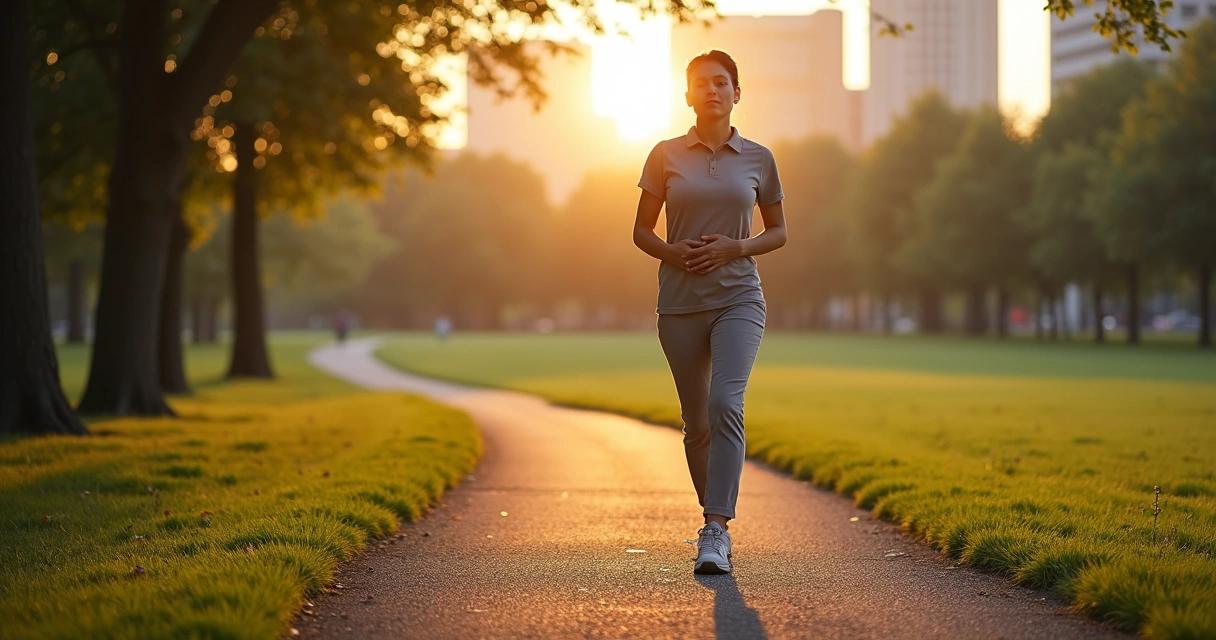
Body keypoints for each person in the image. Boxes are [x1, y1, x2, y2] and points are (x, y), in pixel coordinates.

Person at [633, 50, 787, 575]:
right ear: (689, 95)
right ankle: (712, 519)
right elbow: (641, 231)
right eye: (702, 83)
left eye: (722, 82)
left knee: (726, 401)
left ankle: (715, 529)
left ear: (737, 92)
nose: (712, 90)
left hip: (739, 298)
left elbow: (779, 231)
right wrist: (674, 252)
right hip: (678, 304)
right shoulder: (664, 154)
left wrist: (734, 249)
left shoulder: (759, 158)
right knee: (696, 425)